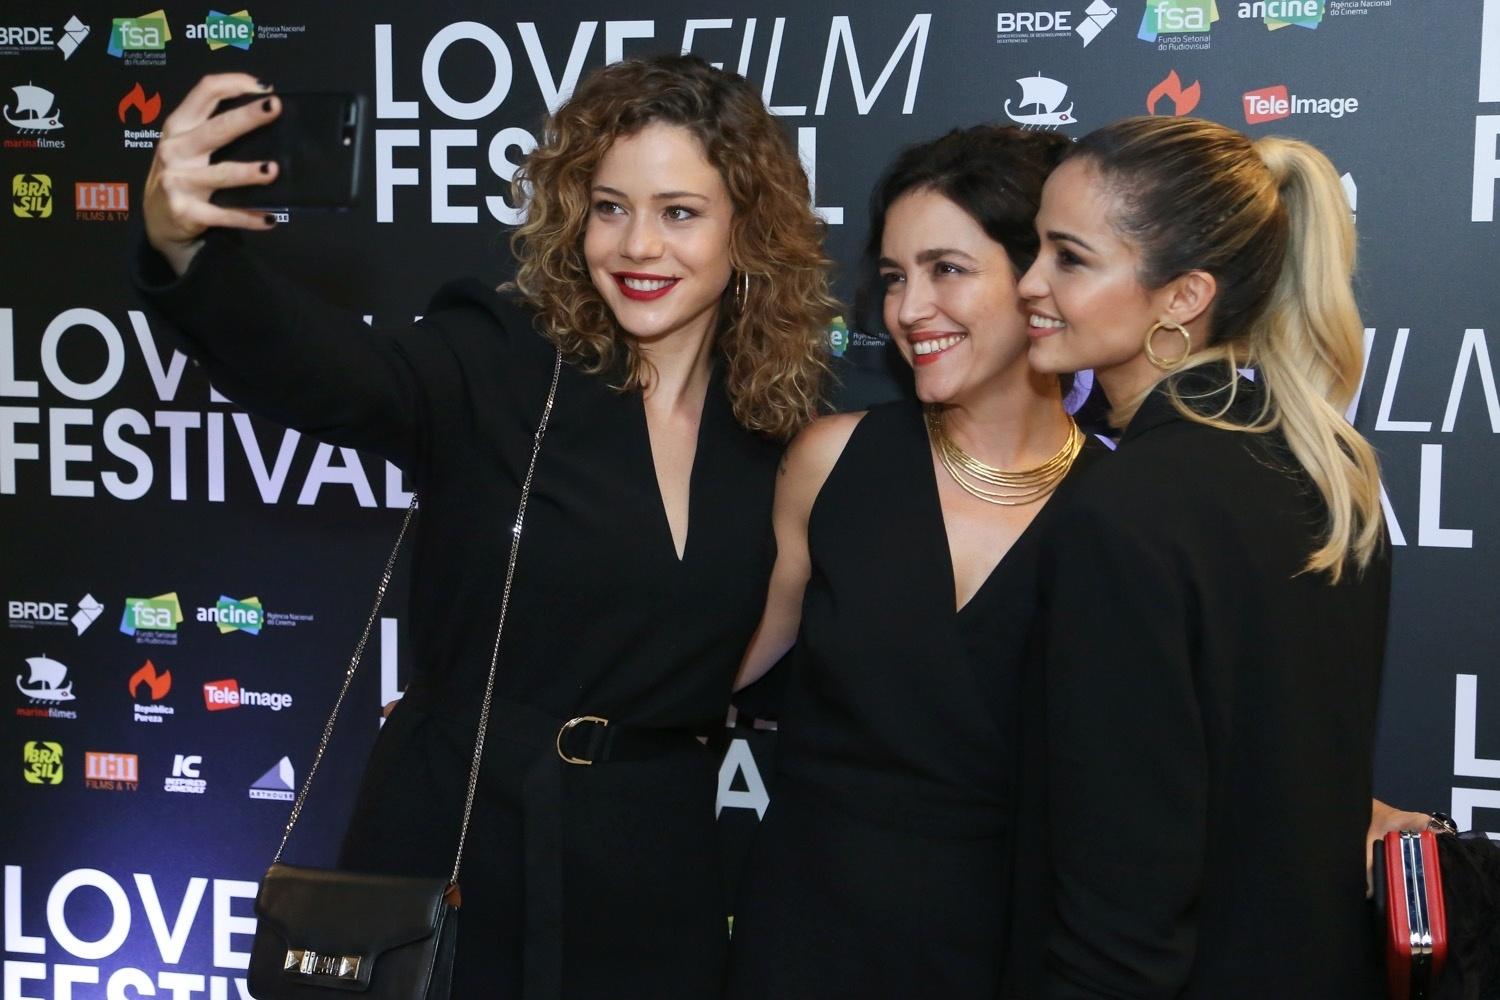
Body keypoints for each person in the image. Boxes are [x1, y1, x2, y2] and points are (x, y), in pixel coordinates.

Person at [133, 55, 836, 999]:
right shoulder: (503, 361)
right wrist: (186, 251)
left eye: (680, 212)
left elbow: (757, 646)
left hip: (654, 870)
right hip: (461, 846)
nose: (637, 245)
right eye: (609, 206)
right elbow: (336, 372)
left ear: (746, 227)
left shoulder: (766, 427)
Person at [1016, 115, 1391, 998]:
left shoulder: (1124, 508)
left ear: (1182, 296)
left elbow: (1124, 884)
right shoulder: (1325, 477)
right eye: (1036, 247)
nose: (1029, 281)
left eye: (1069, 258)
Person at [725, 125, 1102, 998]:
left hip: (1011, 948)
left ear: (1038, 282)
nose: (908, 308)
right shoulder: (832, 462)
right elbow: (712, 662)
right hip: (808, 938)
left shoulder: (1125, 511)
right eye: (895, 277)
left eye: (948, 269)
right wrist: (504, 713)